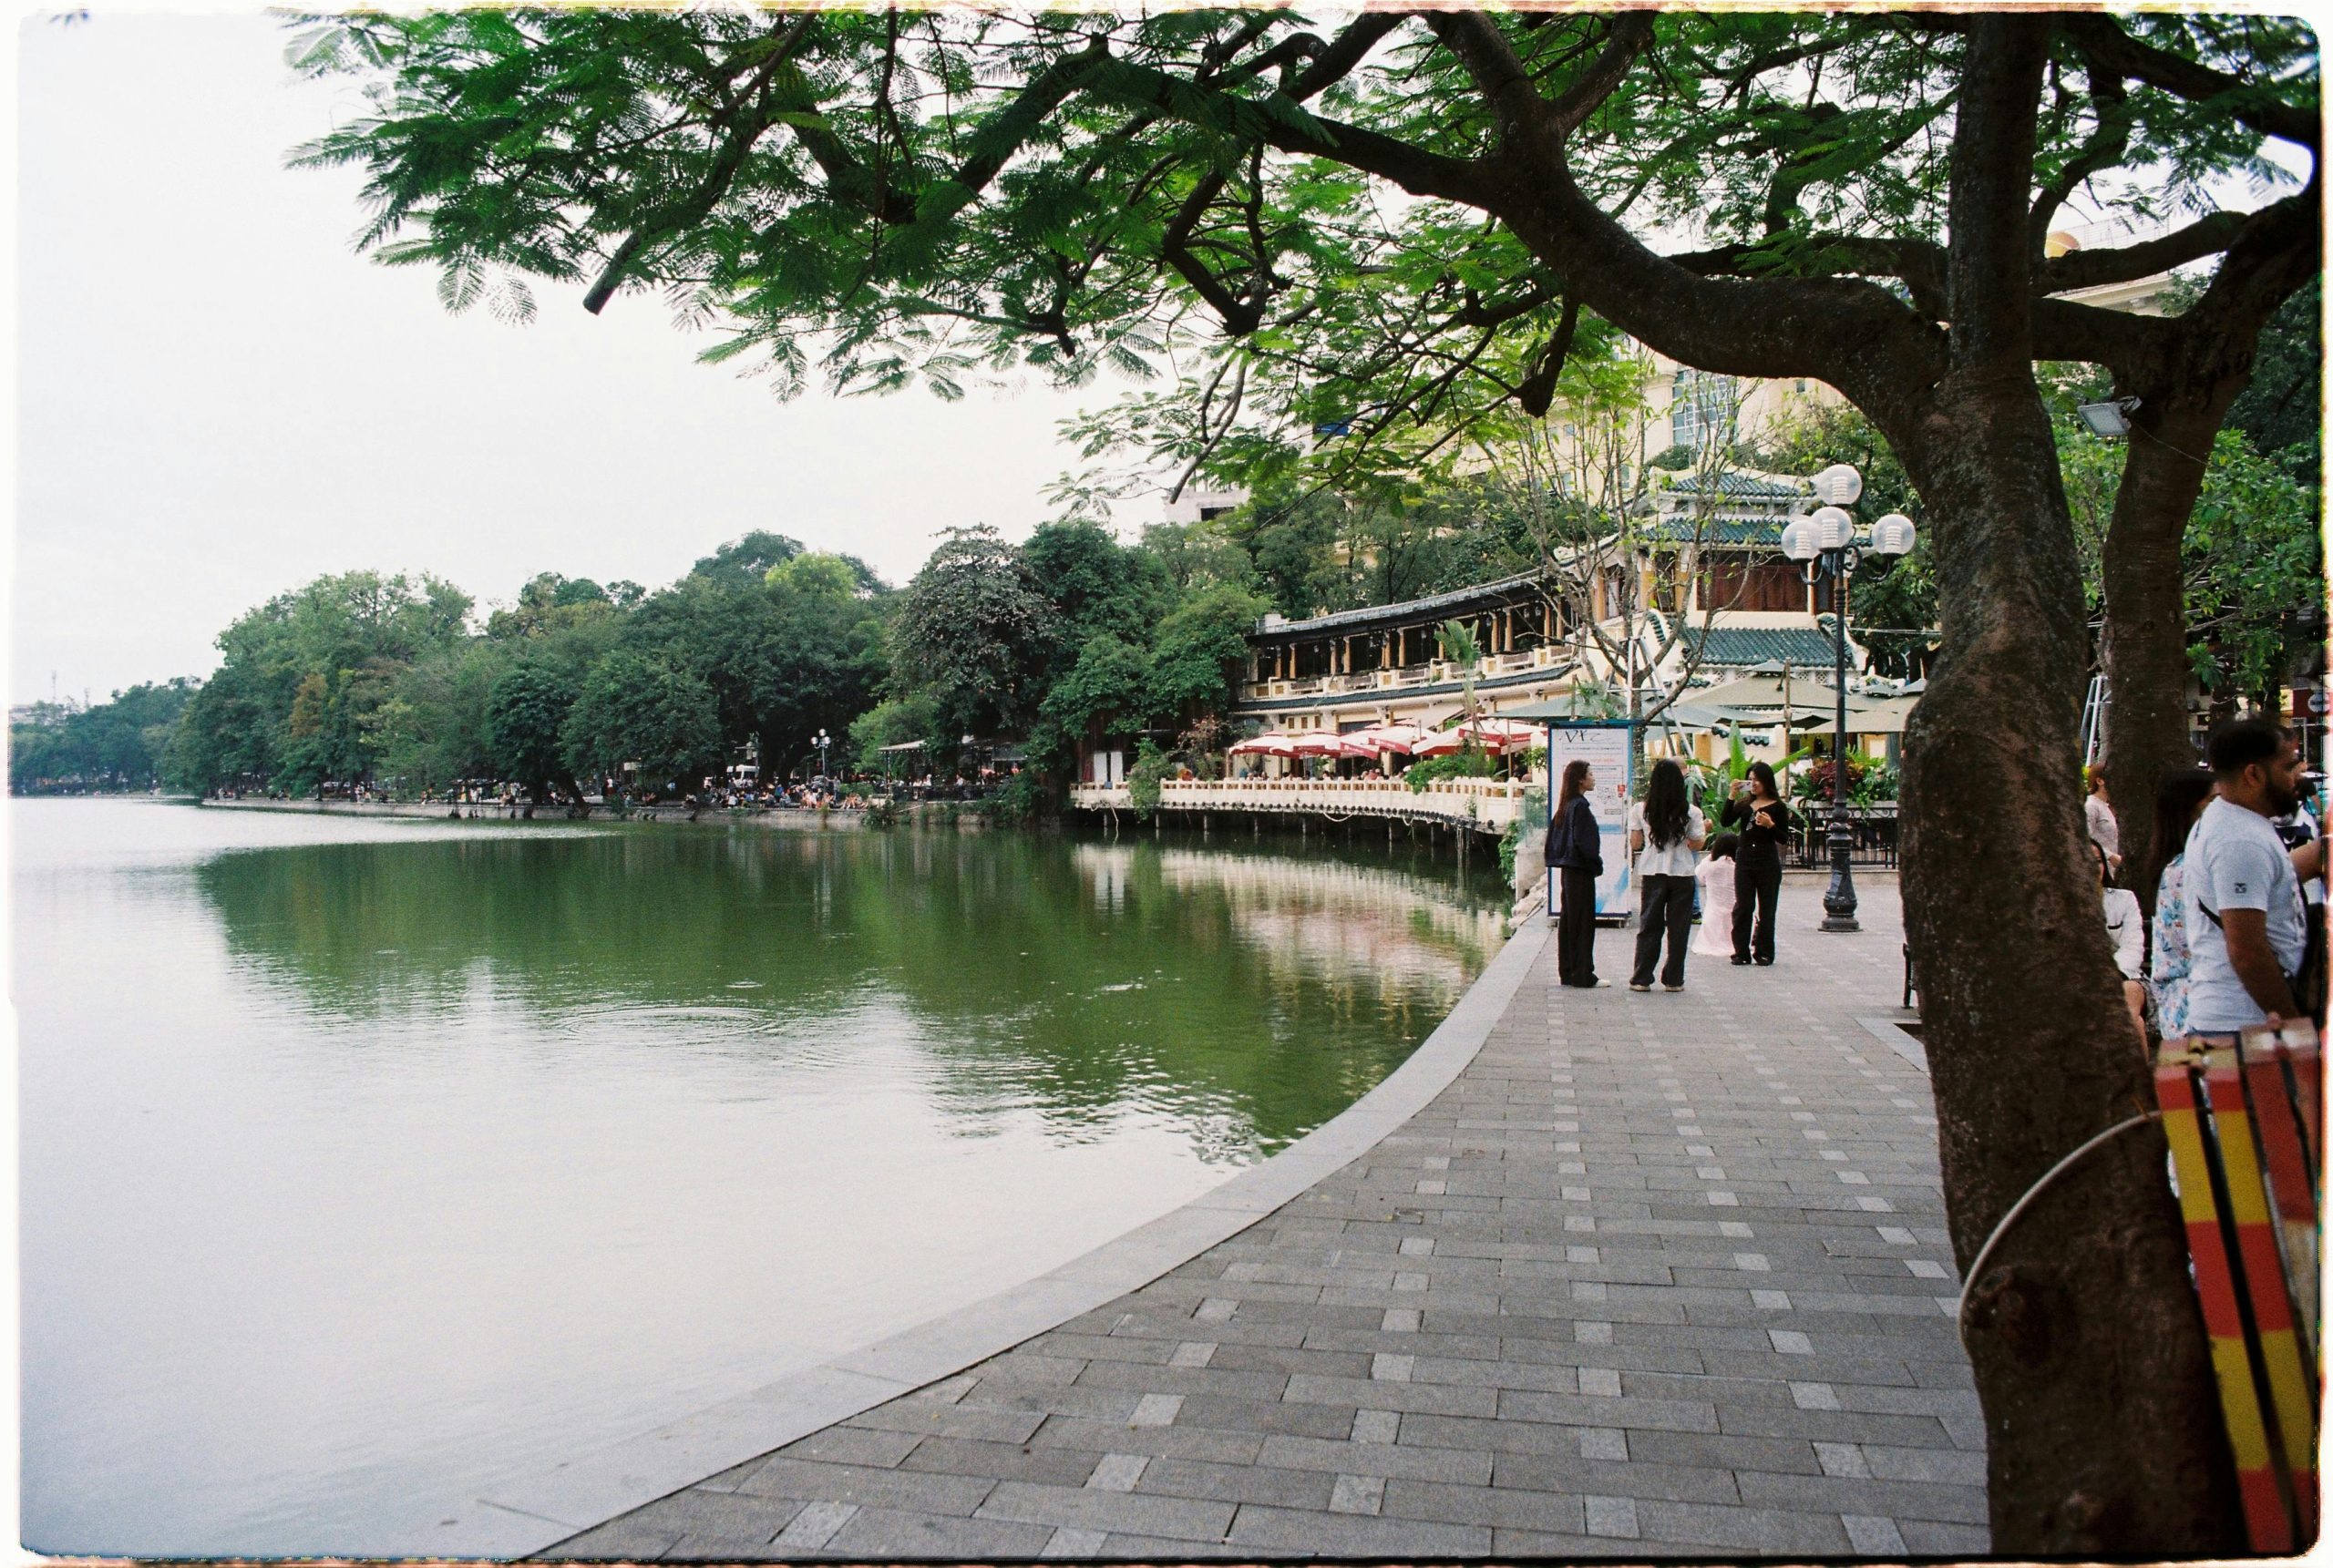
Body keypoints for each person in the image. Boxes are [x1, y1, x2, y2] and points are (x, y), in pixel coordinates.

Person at [2184, 719, 2309, 1033]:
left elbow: (2266, 885)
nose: (2298, 776)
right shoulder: (2239, 840)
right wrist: (2294, 1026)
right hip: (2247, 1026)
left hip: (2243, 1021)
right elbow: (2247, 952)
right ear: (2253, 774)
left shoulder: (2232, 820)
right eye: (2288, 767)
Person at [2147, 765, 2219, 1044]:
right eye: (2213, 803)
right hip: (2195, 1013)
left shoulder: (2182, 866)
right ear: (2186, 810)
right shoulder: (2187, 870)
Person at [1628, 758, 1707, 992]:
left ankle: (1642, 977)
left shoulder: (1641, 810)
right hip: (1682, 874)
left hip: (1653, 872)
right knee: (1679, 928)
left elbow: (1635, 843)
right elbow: (1696, 844)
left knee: (1649, 926)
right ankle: (1674, 979)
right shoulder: (1691, 812)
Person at [1721, 762, 1795, 965]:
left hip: (1767, 860)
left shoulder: (1777, 807)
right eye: (1750, 780)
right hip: (1745, 858)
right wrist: (1731, 795)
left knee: (1767, 908)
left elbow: (1783, 838)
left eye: (1757, 780)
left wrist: (1770, 825)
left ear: (1766, 781)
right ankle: (1740, 951)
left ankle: (1764, 951)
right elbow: (1725, 821)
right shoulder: (1745, 805)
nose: (1753, 784)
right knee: (1743, 906)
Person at [1547, 758, 1605, 988]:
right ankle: (1583, 974)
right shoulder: (1579, 807)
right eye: (1590, 774)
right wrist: (1595, 862)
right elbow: (1585, 842)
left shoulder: (1566, 805)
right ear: (1581, 779)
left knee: (1570, 919)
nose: (1594, 778)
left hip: (1569, 870)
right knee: (1582, 922)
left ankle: (1568, 970)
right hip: (1580, 869)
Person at [2093, 839, 2149, 1046]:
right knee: (2136, 1024)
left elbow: (2133, 947)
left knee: (2125, 1007)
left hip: (2125, 976)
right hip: (2082, 981)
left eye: (2098, 861)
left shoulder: (2124, 899)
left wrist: (2107, 975)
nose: (2093, 868)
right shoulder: (2062, 906)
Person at [1693, 834, 1740, 958]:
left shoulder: (1709, 863)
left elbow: (1698, 876)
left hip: (1714, 908)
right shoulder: (1738, 865)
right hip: (1734, 907)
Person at [2086, 770, 2122, 870]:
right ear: (2099, 781)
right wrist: (2110, 856)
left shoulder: (2107, 807)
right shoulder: (2091, 805)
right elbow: (2085, 837)